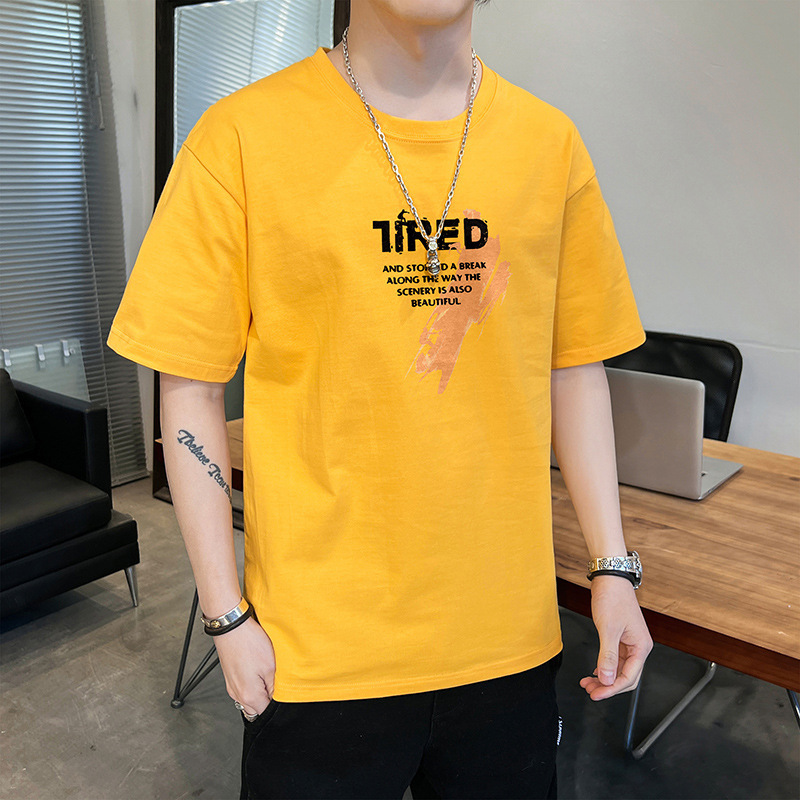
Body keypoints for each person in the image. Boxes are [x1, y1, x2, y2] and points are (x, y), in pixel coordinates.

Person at [107, 0, 654, 797]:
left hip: (505, 641)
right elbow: (189, 383)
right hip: (316, 652)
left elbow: (574, 367)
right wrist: (225, 614)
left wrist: (612, 568)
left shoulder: (549, 144)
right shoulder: (241, 138)